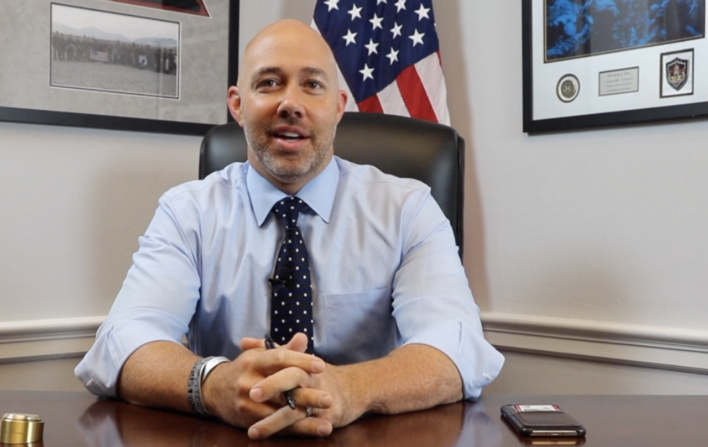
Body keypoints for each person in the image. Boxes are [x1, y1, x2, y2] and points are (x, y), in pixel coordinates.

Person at [75, 19, 504, 440]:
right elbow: (123, 341)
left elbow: (457, 345)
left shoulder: (408, 209)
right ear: (237, 104)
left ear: (338, 106)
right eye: (269, 83)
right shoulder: (186, 212)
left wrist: (351, 388)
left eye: (312, 85)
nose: (290, 103)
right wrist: (213, 384)